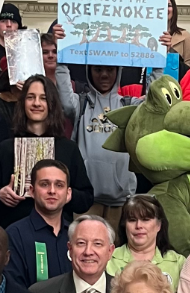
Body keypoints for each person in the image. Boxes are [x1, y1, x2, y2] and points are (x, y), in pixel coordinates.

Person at [0, 76, 93, 227]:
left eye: (43, 98)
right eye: (31, 97)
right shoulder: (6, 148)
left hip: (57, 234)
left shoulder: (68, 148)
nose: (36, 103)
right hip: (15, 232)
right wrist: (0, 194)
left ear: (51, 104)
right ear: (23, 102)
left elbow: (86, 199)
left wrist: (65, 194)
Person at [56, 64, 138, 229]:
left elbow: (154, 104)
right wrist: (61, 58)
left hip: (121, 201)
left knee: (115, 251)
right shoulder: (81, 103)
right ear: (89, 72)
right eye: (98, 70)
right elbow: (65, 97)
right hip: (87, 201)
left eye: (110, 70)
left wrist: (159, 62)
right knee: (85, 249)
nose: (104, 75)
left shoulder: (128, 105)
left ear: (118, 71)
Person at [5, 159, 73, 288]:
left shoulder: (76, 235)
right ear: (32, 191)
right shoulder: (15, 235)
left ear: (68, 194)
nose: (52, 191)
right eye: (44, 184)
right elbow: (14, 290)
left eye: (59, 185)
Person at [107, 194, 187, 292]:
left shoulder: (179, 262)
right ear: (124, 225)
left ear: (159, 225)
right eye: (132, 220)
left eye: (145, 219)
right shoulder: (108, 260)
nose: (138, 225)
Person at [164, 0, 190, 66]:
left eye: (168, 5)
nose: (164, 9)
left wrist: (170, 51)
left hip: (177, 76)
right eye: (161, 5)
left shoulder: (185, 36)